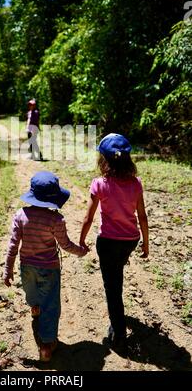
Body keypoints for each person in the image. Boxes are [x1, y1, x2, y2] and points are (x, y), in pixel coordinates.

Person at [4, 171, 88, 362]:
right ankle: (46, 346)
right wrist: (81, 251)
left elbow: (13, 245)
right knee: (50, 305)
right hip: (49, 269)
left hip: (27, 267)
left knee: (31, 292)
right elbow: (65, 245)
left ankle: (35, 309)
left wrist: (8, 269)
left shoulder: (20, 215)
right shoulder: (56, 220)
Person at [79, 133, 149, 354]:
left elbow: (88, 218)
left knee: (112, 287)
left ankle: (118, 332)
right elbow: (142, 217)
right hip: (130, 239)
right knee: (116, 272)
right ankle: (119, 317)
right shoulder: (136, 184)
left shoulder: (100, 184)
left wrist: (81, 240)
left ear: (104, 160)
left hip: (108, 241)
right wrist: (146, 243)